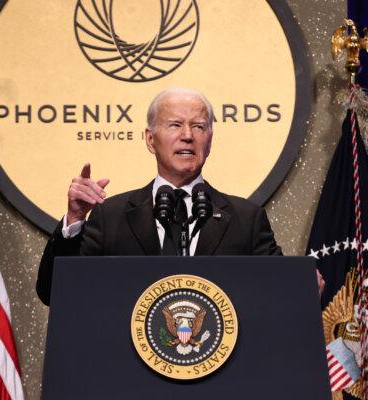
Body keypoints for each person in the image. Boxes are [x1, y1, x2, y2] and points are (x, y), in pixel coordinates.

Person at [36, 88, 323, 305]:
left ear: (209, 140)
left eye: (199, 126)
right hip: (128, 377)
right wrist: (74, 219)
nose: (188, 135)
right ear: (150, 139)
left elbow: (281, 294)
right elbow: (54, 292)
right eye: (175, 125)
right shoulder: (110, 216)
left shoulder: (246, 219)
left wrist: (303, 288)